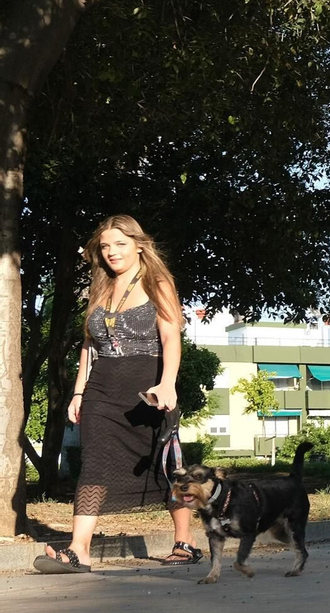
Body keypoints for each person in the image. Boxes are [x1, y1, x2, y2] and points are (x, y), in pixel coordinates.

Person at [35, 215, 200, 573]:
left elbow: (172, 337)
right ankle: (79, 550)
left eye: (120, 244)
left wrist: (168, 382)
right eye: (105, 246)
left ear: (140, 245)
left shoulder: (158, 282)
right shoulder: (100, 287)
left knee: (166, 467)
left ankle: (185, 541)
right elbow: (88, 345)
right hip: (102, 389)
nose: (111, 252)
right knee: (94, 463)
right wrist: (78, 393)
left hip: (148, 388)